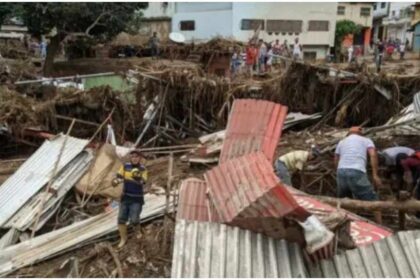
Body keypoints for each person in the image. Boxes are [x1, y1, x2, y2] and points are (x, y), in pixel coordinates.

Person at [335, 126, 382, 223]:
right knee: (374, 203)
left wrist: (339, 170)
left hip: (341, 171)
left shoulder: (342, 142)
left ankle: (346, 224)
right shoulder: (366, 140)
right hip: (356, 171)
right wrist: (375, 175)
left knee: (344, 201)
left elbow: (336, 158)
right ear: (361, 133)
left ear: (349, 133)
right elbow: (373, 155)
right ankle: (381, 227)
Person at [112, 150, 148, 249]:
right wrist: (115, 181)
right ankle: (123, 239)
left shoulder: (142, 169)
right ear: (130, 158)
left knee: (134, 219)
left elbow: (143, 182)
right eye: (132, 156)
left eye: (136, 156)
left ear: (140, 158)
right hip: (125, 197)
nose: (135, 158)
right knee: (121, 219)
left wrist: (135, 178)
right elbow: (118, 177)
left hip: (137, 198)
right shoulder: (125, 166)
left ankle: (138, 231)